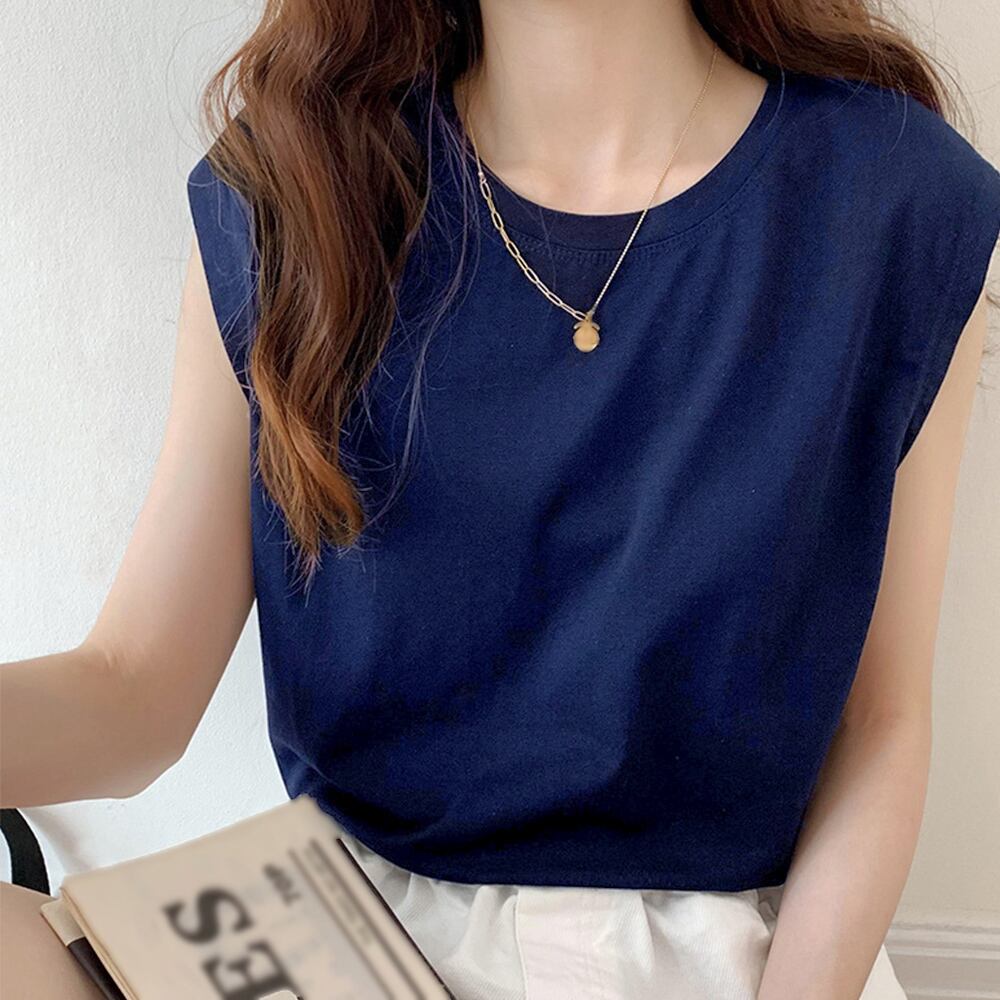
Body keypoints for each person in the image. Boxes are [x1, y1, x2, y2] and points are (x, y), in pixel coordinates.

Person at [3, 0, 999, 997]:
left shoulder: (893, 199)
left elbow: (878, 721)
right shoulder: (294, 185)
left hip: (726, 953)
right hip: (345, 938)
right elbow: (134, 687)